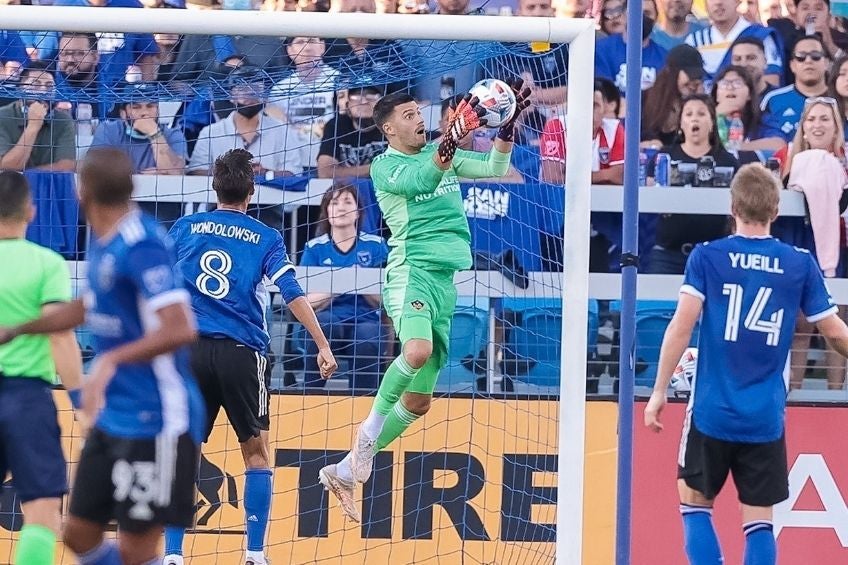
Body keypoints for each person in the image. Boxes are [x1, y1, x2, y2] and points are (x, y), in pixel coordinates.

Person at [317, 81, 531, 522]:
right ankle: (367, 435)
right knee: (416, 351)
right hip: (410, 273)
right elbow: (424, 178)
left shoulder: (441, 153)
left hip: (445, 283)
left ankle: (344, 470)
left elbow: (495, 165)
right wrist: (451, 139)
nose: (419, 120)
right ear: (389, 129)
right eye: (410, 116)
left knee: (418, 402)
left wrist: (507, 129)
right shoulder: (385, 167)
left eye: (419, 113)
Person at [0, 148, 205, 564]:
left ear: (82, 190)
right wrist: (18, 329)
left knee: (135, 548)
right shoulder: (104, 240)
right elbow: (86, 306)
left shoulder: (141, 242)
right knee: (77, 533)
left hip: (156, 417)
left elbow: (181, 327)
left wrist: (110, 361)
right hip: (113, 416)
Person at [643, 162, 848, 565]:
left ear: (732, 207)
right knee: (759, 522)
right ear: (776, 211)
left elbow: (681, 326)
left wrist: (659, 391)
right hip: (764, 416)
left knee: (694, 505)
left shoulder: (707, 257)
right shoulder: (798, 263)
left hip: (712, 410)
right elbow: (835, 332)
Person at [163, 149, 337, 565]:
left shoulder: (185, 228)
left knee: (184, 454)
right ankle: (255, 554)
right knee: (256, 453)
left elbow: (155, 284)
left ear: (214, 187)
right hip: (242, 353)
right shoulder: (266, 237)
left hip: (189, 351)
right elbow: (291, 292)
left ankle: (172, 554)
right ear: (251, 191)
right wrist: (322, 344)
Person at [0, 170, 83, 565]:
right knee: (43, 512)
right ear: (31, 212)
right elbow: (60, 336)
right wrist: (80, 401)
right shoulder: (47, 263)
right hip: (27, 399)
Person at [300, 183, 389, 389]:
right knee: (325, 323)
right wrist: (341, 283)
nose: (341, 207)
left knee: (367, 335)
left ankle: (363, 400)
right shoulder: (314, 248)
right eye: (335, 202)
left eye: (348, 202)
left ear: (358, 211)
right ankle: (310, 392)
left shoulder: (376, 245)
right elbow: (304, 301)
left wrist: (359, 282)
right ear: (327, 211)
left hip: (366, 318)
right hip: (329, 317)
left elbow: (388, 299)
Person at [645, 95, 740, 274]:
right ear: (681, 123)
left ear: (712, 122)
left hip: (715, 254)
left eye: (701, 114)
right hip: (668, 254)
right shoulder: (664, 157)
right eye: (689, 114)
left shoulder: (728, 161)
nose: (694, 119)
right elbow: (650, 195)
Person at [0, 63, 76, 172]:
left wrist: (28, 175)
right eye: (35, 85)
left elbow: (66, 166)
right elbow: (7, 166)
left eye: (49, 86)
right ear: (20, 90)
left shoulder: (63, 120)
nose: (43, 91)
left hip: (49, 182)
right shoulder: (3, 116)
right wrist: (33, 125)